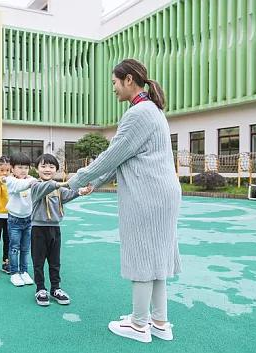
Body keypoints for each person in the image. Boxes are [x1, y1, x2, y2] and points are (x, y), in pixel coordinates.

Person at [67, 59, 181, 343]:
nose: (114, 89)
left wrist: (77, 179)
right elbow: (125, 157)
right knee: (157, 258)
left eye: (115, 83)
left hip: (147, 194)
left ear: (128, 80)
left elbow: (112, 155)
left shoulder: (139, 113)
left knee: (142, 255)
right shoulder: (153, 110)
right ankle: (159, 321)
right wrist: (96, 181)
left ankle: (139, 325)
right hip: (162, 193)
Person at [30, 154, 92, 306]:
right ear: (36, 169)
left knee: (55, 261)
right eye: (43, 166)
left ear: (56, 169)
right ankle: (40, 288)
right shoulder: (36, 186)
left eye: (51, 167)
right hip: (38, 229)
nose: (47, 169)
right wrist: (62, 184)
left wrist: (80, 191)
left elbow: (68, 195)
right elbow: (48, 187)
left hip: (55, 229)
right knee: (38, 261)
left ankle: (55, 288)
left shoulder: (58, 188)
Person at [4, 152, 37, 287]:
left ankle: (24, 271)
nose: (23, 170)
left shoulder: (30, 180)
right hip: (14, 220)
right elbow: (20, 186)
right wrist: (32, 180)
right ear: (12, 168)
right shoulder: (10, 180)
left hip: (28, 219)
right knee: (14, 248)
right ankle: (14, 273)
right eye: (19, 167)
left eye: (26, 167)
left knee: (25, 248)